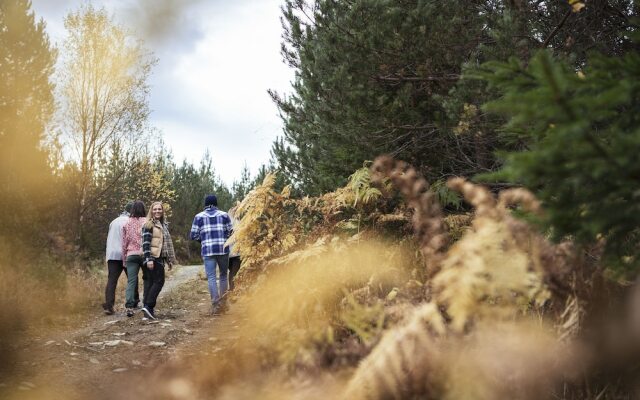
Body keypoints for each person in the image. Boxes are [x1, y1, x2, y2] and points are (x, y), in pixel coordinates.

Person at [190, 194, 233, 315]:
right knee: (224, 275)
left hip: (208, 251)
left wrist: (203, 241)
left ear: (205, 204)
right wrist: (224, 238)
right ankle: (224, 303)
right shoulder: (224, 215)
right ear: (216, 204)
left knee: (212, 277)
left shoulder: (198, 217)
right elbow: (231, 232)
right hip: (223, 249)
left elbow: (193, 235)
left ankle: (215, 304)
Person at [141, 201, 176, 320]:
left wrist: (169, 260)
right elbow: (145, 243)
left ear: (162, 211)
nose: (157, 211)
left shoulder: (163, 225)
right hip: (152, 258)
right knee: (159, 282)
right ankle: (149, 306)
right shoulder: (149, 225)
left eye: (159, 209)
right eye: (155, 209)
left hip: (159, 258)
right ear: (151, 211)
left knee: (151, 284)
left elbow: (165, 244)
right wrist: (148, 259)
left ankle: (147, 310)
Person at [102, 202, 139, 315]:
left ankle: (109, 305)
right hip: (126, 253)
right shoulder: (130, 222)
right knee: (132, 278)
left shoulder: (113, 221)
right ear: (132, 211)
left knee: (112, 280)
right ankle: (135, 300)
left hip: (112, 254)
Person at [121, 200, 147, 317]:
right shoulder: (147, 222)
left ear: (132, 210)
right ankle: (146, 304)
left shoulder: (127, 223)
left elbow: (124, 243)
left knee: (131, 281)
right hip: (145, 254)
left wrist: (124, 259)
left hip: (131, 255)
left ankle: (129, 306)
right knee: (147, 279)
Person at [227, 205, 242, 291]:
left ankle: (232, 288)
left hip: (228, 252)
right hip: (236, 252)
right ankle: (232, 289)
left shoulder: (226, 221)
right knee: (234, 272)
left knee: (232, 271)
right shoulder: (237, 222)